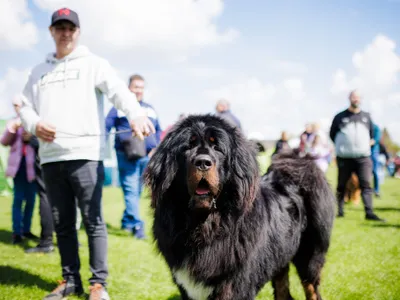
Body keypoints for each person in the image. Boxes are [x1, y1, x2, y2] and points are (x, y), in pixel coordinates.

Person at [19, 8, 155, 300]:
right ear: (51, 31)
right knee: (63, 225)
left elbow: (118, 91)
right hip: (52, 158)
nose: (65, 33)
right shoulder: (38, 71)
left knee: (93, 222)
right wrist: (35, 123)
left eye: (70, 28)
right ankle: (69, 280)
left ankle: (98, 285)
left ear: (78, 32)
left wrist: (135, 113)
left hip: (86, 157)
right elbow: (25, 105)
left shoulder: (94, 64)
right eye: (59, 27)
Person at [106, 74, 162, 239]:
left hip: (146, 157)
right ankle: (137, 225)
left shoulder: (150, 108)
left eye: (141, 87)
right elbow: (106, 125)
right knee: (131, 189)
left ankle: (127, 220)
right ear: (128, 88)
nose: (138, 90)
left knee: (136, 191)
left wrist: (155, 149)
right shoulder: (118, 108)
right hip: (126, 156)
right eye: (135, 87)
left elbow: (158, 130)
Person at [329, 90, 384, 222]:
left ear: (361, 99)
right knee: (341, 185)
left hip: (363, 157)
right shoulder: (339, 116)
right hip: (344, 158)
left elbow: (372, 134)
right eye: (354, 97)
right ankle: (339, 212)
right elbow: (332, 134)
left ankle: (369, 212)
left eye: (358, 97)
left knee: (366, 184)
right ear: (349, 98)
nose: (356, 99)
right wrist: (341, 147)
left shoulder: (366, 116)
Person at [0, 96, 38, 245]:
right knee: (18, 200)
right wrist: (12, 129)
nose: (17, 108)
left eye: (19, 105)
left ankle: (26, 230)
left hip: (32, 167)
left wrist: (32, 137)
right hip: (18, 168)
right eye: (15, 105)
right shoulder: (12, 123)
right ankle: (17, 232)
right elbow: (4, 141)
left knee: (31, 200)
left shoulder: (34, 122)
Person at [24, 134, 55, 253]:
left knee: (45, 194)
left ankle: (46, 242)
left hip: (45, 147)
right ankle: (72, 241)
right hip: (68, 150)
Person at [371, 123, 381, 198]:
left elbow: (376, 139)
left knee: (375, 172)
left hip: (373, 152)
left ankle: (376, 190)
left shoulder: (376, 127)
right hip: (363, 153)